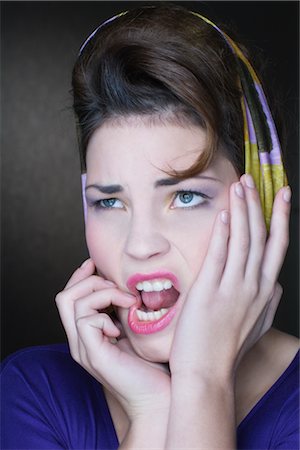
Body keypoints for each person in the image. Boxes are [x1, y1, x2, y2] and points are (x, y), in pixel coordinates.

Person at [1, 3, 299, 449]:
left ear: (259, 202)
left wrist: (203, 382)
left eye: (185, 196)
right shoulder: (36, 391)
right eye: (109, 201)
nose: (139, 245)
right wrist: (154, 410)